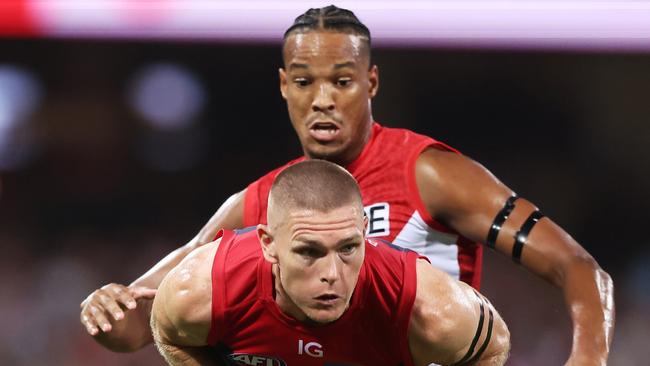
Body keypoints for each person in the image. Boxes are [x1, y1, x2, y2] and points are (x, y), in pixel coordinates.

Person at [80, 5, 614, 364]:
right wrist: (106, 307)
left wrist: (586, 360)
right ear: (284, 86)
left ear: (371, 83)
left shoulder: (429, 172)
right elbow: (143, 319)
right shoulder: (262, 202)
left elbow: (579, 269)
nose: (323, 100)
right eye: (305, 82)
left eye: (342, 80)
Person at [150, 160, 510, 366]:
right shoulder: (201, 291)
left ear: (365, 232)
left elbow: (494, 344)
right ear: (268, 244)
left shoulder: (427, 310)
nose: (332, 275)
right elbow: (167, 331)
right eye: (309, 252)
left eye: (348, 248)